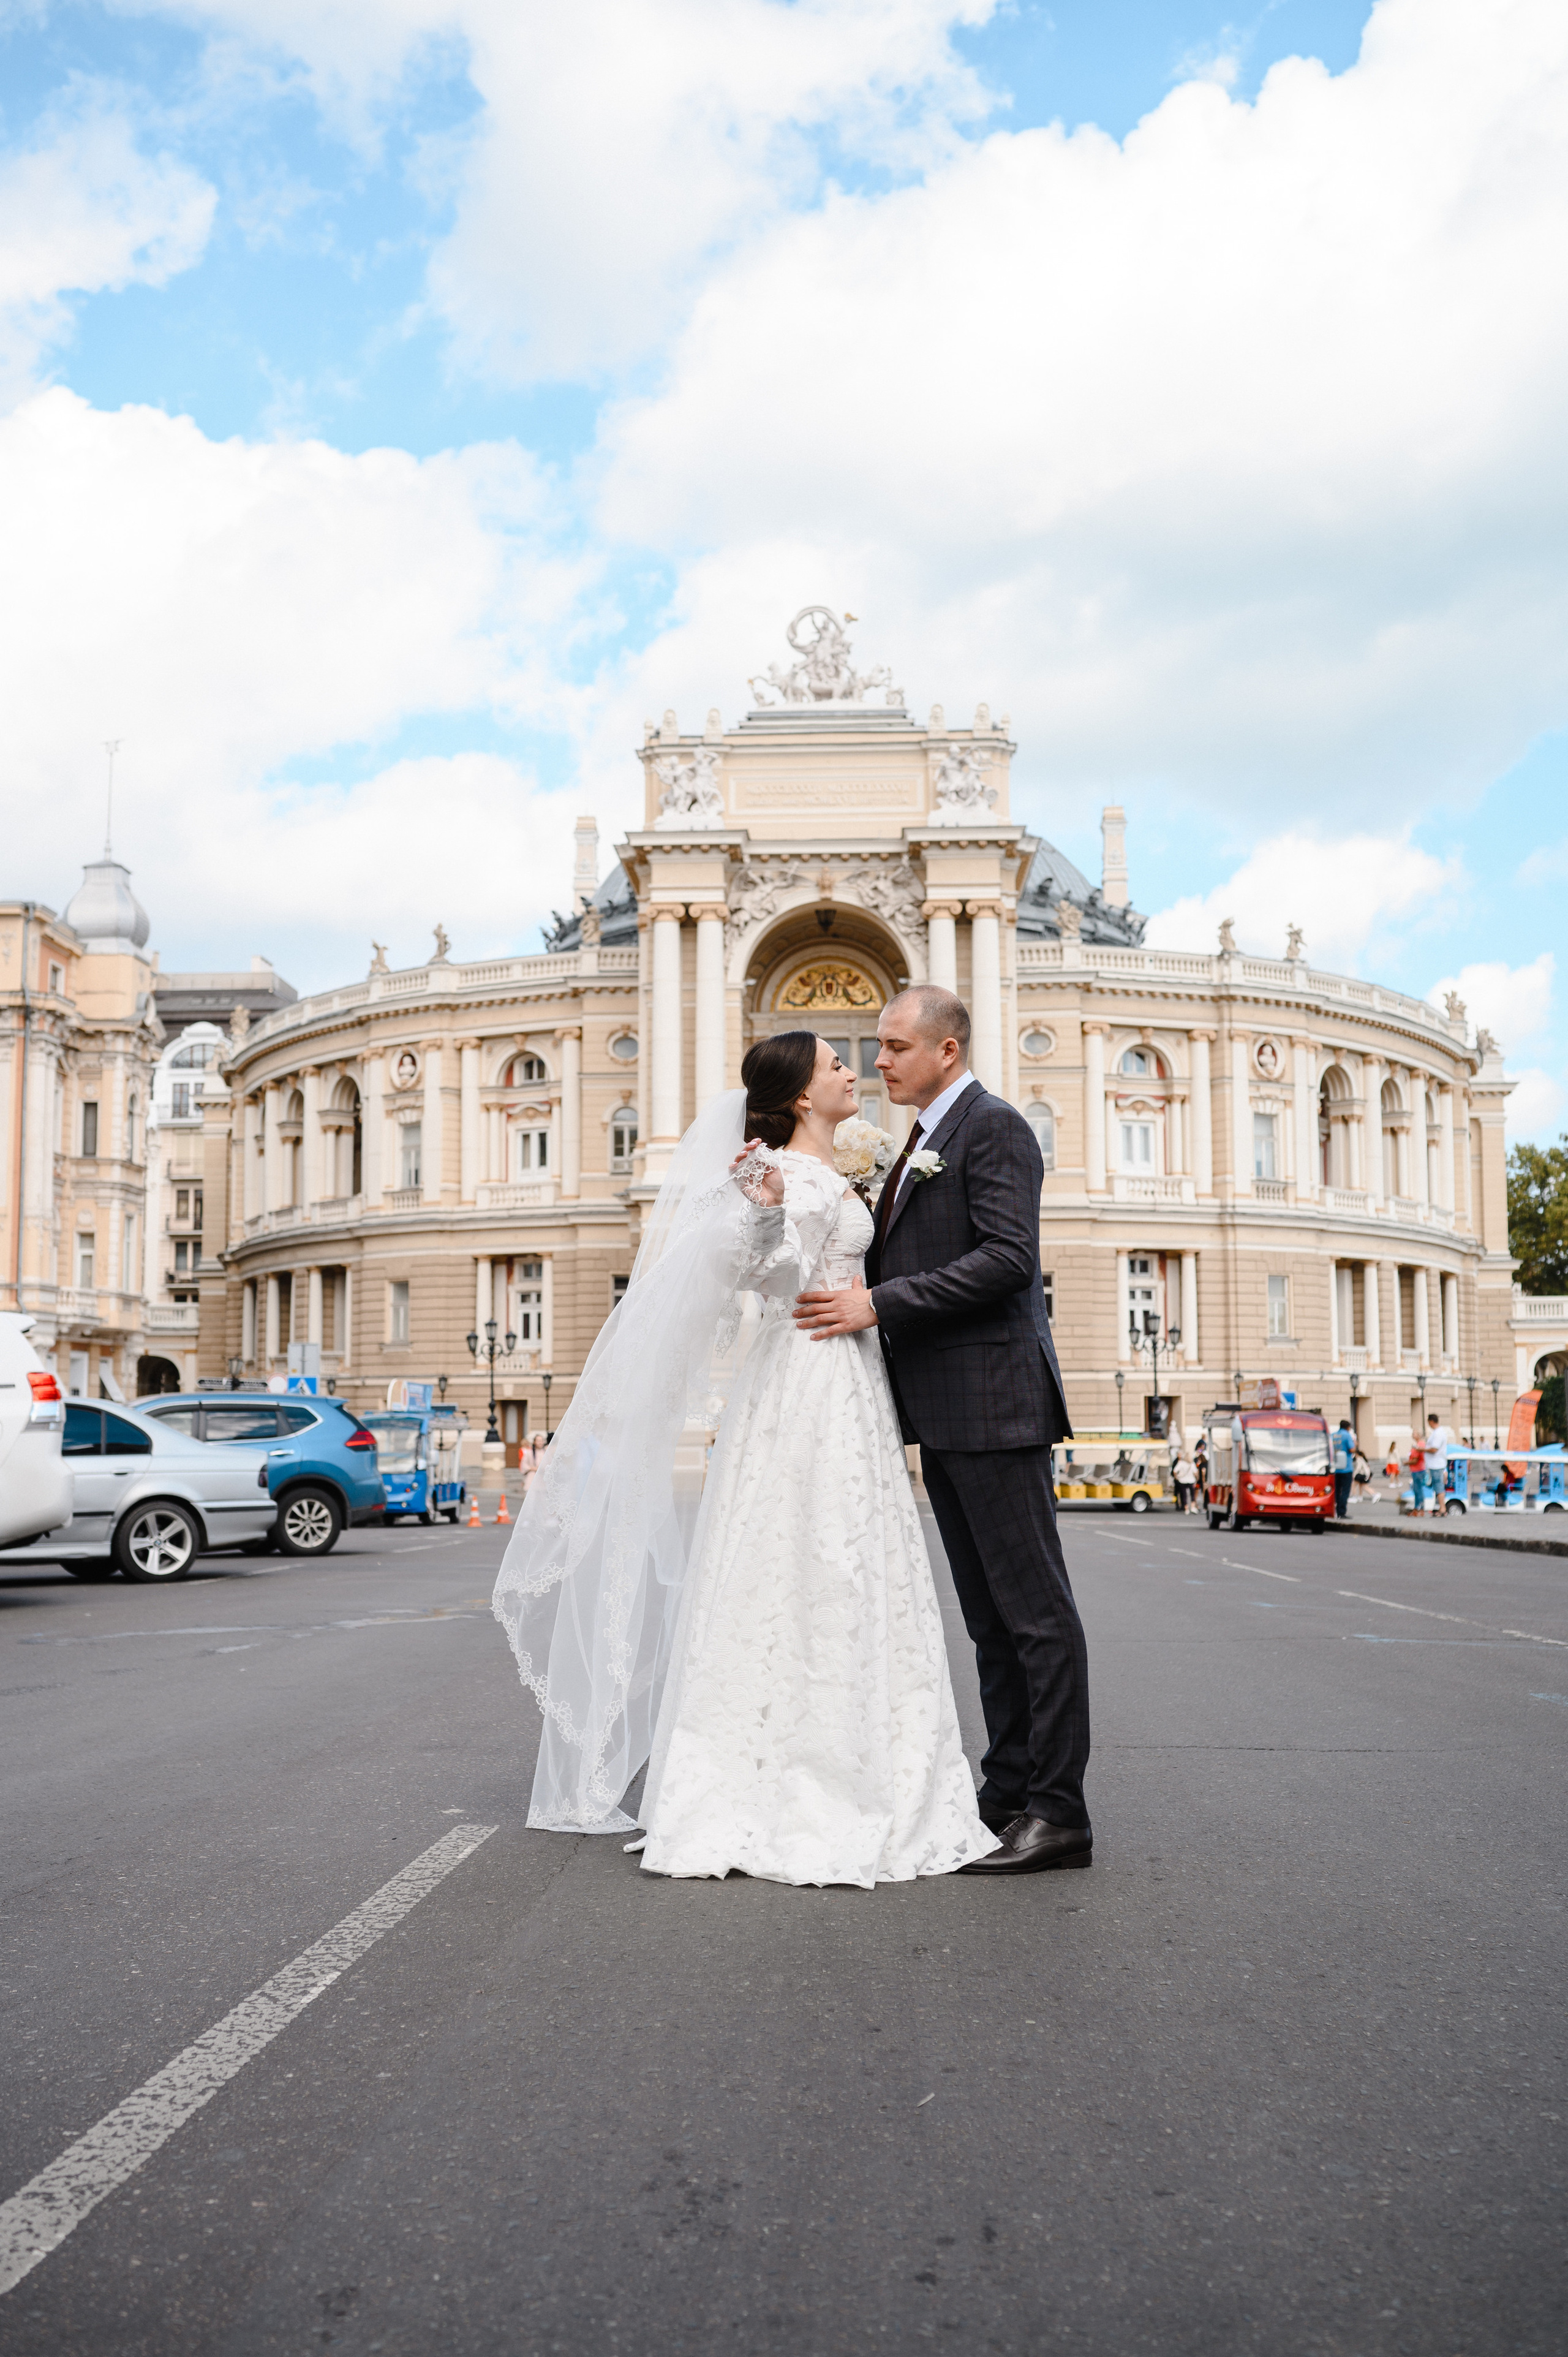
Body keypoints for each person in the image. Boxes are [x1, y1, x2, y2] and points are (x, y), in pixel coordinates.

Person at [492, 1027, 997, 1887]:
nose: (854, 1070)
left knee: (851, 1557)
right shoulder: (783, 1175)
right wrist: (763, 1209)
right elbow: (771, 1276)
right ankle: (797, 1779)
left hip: (852, 1379)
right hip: (806, 1374)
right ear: (803, 1093)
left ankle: (857, 1755)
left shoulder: (840, 1168)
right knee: (809, 1554)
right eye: (838, 1065)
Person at [796, 985, 1090, 1877]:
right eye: (876, 1049)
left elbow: (1007, 1259)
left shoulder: (991, 1126)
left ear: (946, 1051)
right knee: (990, 1620)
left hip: (996, 1404)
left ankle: (1060, 1811)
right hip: (948, 1410)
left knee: (1035, 1615)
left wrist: (875, 1302)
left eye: (892, 1046)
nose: (878, 1060)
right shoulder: (921, 1140)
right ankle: (1005, 1790)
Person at [1423, 1412, 1455, 1515]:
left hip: (1436, 1464)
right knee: (1438, 1486)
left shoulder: (1438, 1433)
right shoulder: (1439, 1432)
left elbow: (1434, 1449)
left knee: (1439, 1486)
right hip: (1436, 1463)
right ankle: (1441, 1507)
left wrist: (1422, 1450)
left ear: (1431, 1421)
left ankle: (1442, 1508)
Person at [1332, 1420, 1355, 1518]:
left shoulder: (1333, 1435)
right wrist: (1356, 1445)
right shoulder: (1347, 1435)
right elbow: (1351, 1449)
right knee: (1345, 1491)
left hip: (1335, 1468)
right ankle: (1342, 1511)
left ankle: (1336, 1510)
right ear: (1348, 1427)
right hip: (1346, 1468)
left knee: (1336, 1490)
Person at [1172, 1442, 1197, 1515]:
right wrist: (1197, 1479)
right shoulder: (1192, 1464)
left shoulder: (1181, 1463)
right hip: (1191, 1480)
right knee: (1192, 1495)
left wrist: (1176, 1478)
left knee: (1184, 1495)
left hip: (1182, 1481)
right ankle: (1193, 1507)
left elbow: (1175, 1471)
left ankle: (1186, 1509)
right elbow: (1196, 1473)